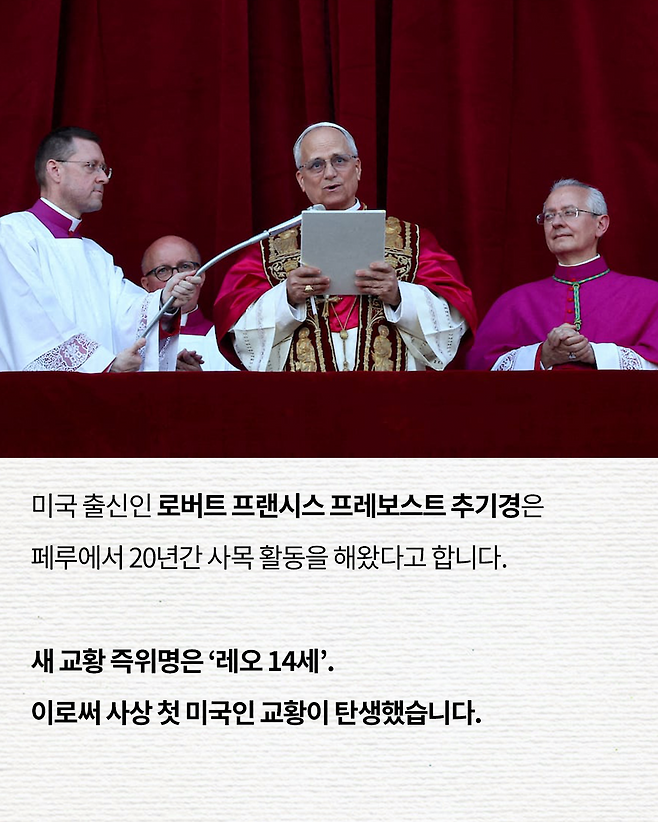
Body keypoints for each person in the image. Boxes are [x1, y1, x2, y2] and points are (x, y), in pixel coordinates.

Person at [214, 121, 477, 371]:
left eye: (339, 160)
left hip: (390, 395)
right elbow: (238, 331)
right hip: (303, 398)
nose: (330, 173)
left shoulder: (412, 240)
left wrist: (399, 296)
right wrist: (287, 298)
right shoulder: (267, 250)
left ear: (358, 168)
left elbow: (454, 321)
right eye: (316, 165)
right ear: (301, 180)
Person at [0, 126, 199, 372]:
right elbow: (31, 321)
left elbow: (126, 313)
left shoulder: (96, 255)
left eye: (104, 168)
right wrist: (103, 365)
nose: (103, 178)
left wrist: (165, 300)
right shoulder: (12, 235)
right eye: (91, 166)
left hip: (97, 392)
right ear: (55, 170)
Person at [467, 179, 658, 370]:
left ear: (600, 224)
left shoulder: (650, 296)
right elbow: (479, 367)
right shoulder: (513, 302)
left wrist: (595, 354)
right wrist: (543, 355)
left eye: (569, 212)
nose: (556, 223)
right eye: (549, 216)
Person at [140, 235, 236, 371]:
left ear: (201, 277)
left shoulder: (227, 342)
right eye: (163, 270)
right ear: (146, 284)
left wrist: (200, 381)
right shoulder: (131, 339)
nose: (176, 278)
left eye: (185, 267)